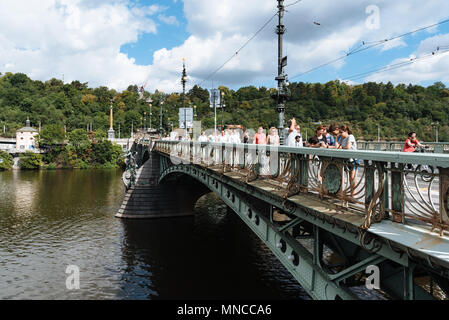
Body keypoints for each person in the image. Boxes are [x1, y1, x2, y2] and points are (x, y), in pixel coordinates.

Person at [338, 125, 358, 195]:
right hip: (346, 159)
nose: (340, 134)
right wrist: (336, 138)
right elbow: (337, 147)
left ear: (346, 131)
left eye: (341, 132)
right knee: (345, 176)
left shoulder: (350, 136)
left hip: (353, 159)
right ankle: (343, 193)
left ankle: (353, 194)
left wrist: (341, 148)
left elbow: (348, 147)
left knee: (352, 177)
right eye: (339, 132)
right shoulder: (341, 138)